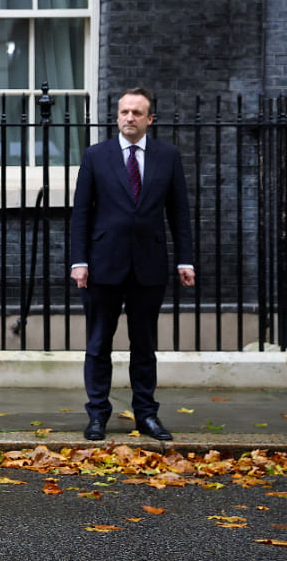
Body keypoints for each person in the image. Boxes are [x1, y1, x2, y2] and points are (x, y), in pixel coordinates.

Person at [69, 87, 195, 442]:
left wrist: (186, 259)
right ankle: (97, 415)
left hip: (149, 265)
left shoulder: (167, 156)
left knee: (144, 345)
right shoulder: (97, 156)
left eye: (137, 113)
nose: (129, 118)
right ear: (117, 115)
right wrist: (79, 261)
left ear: (149, 119)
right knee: (98, 345)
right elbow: (81, 213)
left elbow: (179, 213)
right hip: (102, 264)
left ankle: (147, 415)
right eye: (125, 111)